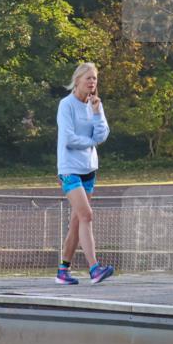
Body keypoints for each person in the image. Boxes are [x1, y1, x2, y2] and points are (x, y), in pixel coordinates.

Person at [56, 62, 113, 285]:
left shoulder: (95, 104)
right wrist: (90, 142)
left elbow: (103, 134)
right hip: (70, 169)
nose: (92, 82)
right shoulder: (66, 105)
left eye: (95, 78)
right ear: (77, 80)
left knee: (77, 222)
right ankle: (94, 269)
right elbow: (69, 138)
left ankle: (63, 271)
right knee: (87, 215)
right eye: (88, 78)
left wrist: (98, 113)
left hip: (89, 169)